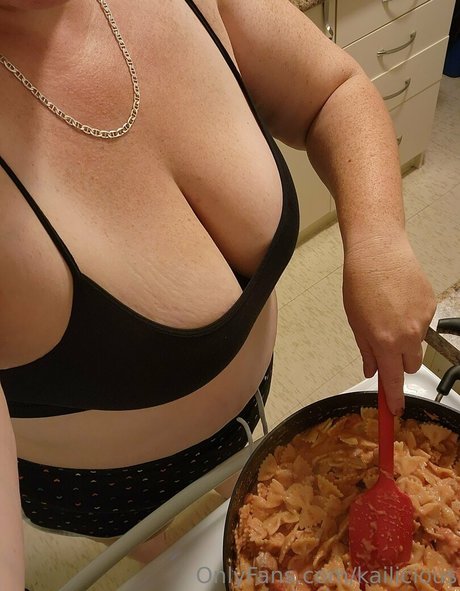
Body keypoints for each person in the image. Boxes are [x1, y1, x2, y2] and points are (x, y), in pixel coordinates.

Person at [0, 0, 436, 588]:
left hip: (249, 406)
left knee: (246, 492)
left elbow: (331, 92)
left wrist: (378, 237)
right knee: (158, 547)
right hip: (103, 486)